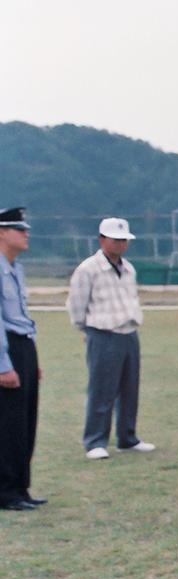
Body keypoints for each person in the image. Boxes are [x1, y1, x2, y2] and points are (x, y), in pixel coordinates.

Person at [66, 217, 153, 460]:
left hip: (129, 332)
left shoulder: (129, 268)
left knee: (129, 388)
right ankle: (95, 440)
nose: (121, 244)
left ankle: (127, 437)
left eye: (124, 240)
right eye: (116, 240)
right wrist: (87, 330)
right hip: (103, 333)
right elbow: (76, 304)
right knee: (102, 389)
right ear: (102, 239)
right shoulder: (88, 269)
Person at [0, 207, 45, 511]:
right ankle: (6, 491)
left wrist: (32, 359)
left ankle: (21, 487)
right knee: (9, 425)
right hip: (6, 349)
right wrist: (4, 366)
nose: (26, 233)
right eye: (20, 228)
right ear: (2, 232)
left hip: (24, 346)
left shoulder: (15, 267)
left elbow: (22, 316)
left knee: (27, 420)